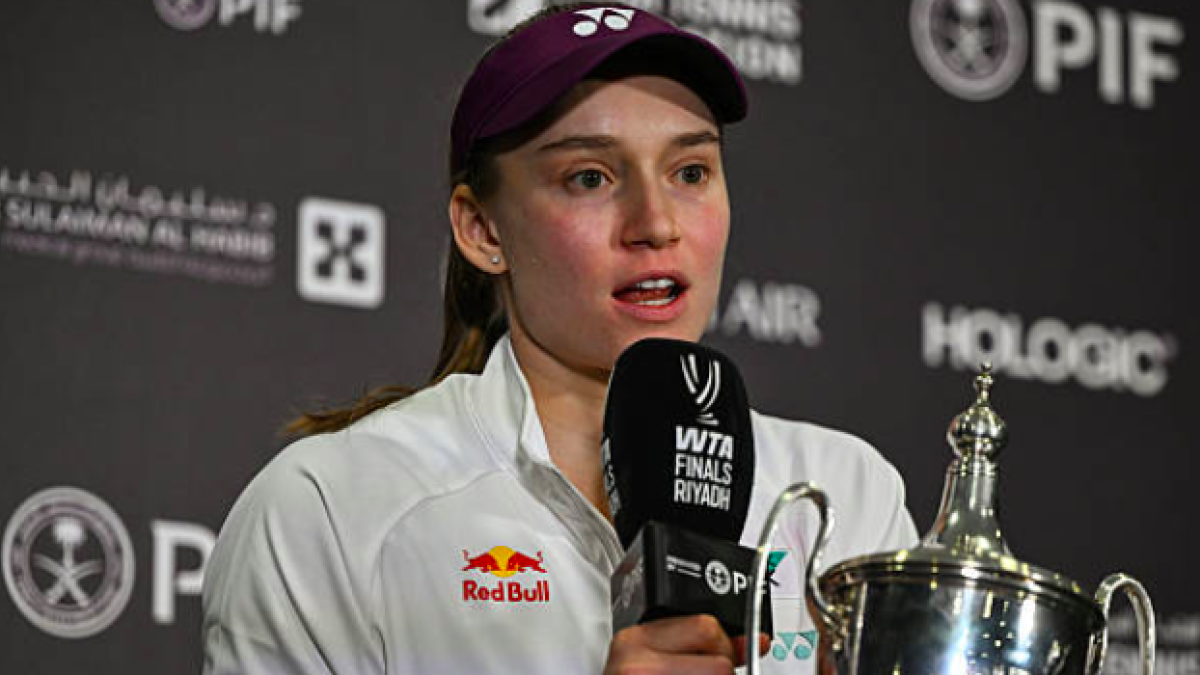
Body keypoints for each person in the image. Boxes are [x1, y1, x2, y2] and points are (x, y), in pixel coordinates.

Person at [201, 3, 917, 674]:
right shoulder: (329, 507)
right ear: (483, 230)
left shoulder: (846, 494)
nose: (656, 223)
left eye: (690, 171)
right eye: (590, 177)